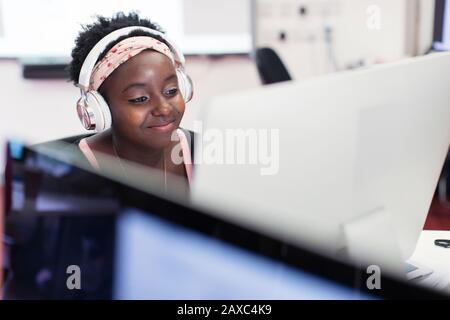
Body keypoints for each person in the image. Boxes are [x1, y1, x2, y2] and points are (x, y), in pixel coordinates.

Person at [68, 12, 194, 189]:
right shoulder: (71, 175)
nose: (164, 109)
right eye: (140, 98)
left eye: (171, 91)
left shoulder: (205, 153)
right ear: (100, 108)